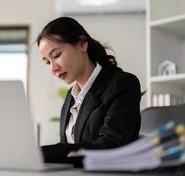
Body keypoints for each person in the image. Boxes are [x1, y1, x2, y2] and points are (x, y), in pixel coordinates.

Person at [37, 17, 141, 165]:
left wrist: (39, 154)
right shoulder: (71, 97)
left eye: (56, 55)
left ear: (82, 44)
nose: (53, 68)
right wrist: (31, 153)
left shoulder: (122, 84)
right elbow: (66, 147)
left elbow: (110, 146)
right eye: (48, 62)